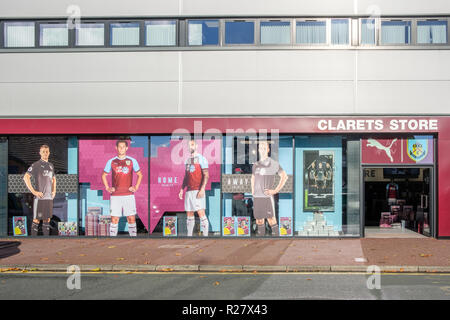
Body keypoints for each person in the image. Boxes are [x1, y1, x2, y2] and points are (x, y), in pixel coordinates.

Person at [102, 140, 143, 237]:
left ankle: (134, 240)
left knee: (131, 218)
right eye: (119, 147)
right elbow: (104, 175)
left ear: (127, 148)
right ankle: (113, 240)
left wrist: (136, 187)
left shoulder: (132, 161)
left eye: (123, 147)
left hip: (128, 195)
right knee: (114, 219)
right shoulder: (111, 161)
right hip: (115, 196)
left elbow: (140, 175)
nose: (121, 149)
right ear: (116, 148)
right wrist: (107, 187)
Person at [251, 141, 288, 236]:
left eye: (264, 148)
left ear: (268, 150)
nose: (262, 149)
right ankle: (261, 243)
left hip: (267, 197)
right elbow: (253, 178)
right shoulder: (255, 165)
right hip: (257, 196)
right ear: (258, 150)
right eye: (260, 147)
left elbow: (284, 176)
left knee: (271, 219)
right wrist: (253, 191)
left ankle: (277, 242)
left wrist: (275, 190)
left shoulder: (273, 163)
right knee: (259, 220)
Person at [179, 139, 210, 236]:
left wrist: (202, 189)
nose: (190, 147)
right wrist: (181, 189)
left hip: (198, 190)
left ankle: (205, 236)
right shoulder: (187, 160)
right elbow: (186, 176)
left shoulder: (202, 159)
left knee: (201, 213)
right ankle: (189, 236)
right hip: (189, 191)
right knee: (189, 214)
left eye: (192, 145)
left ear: (196, 146)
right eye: (189, 145)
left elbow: (206, 175)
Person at [24, 144, 56, 236]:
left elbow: (54, 179)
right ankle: (33, 240)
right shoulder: (36, 165)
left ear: (49, 153)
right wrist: (34, 191)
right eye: (43, 152)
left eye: (46, 152)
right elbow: (26, 177)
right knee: (36, 219)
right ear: (40, 153)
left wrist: (54, 191)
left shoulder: (51, 166)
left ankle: (45, 240)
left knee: (47, 219)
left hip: (49, 198)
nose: (45, 153)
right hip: (40, 198)